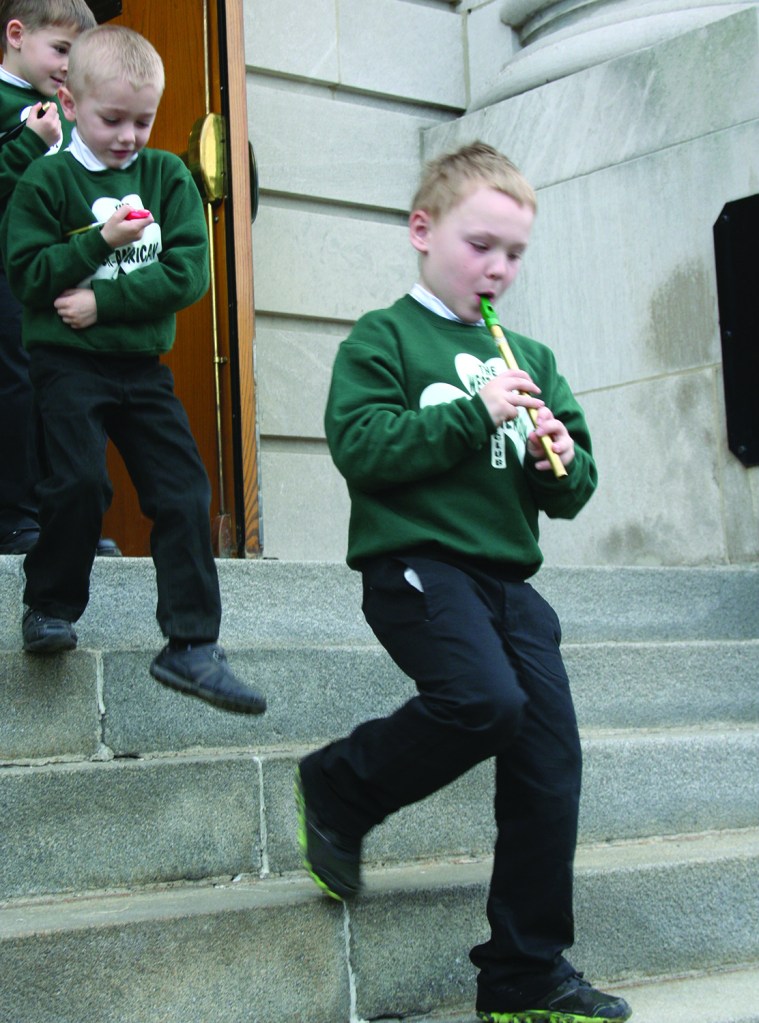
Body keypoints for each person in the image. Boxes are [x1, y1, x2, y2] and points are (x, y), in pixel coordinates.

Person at [295, 142, 631, 1022]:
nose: (497, 267)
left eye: (514, 253)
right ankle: (341, 782)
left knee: (549, 762)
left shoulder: (532, 356)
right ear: (422, 230)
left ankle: (524, 975)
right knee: (483, 700)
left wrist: (550, 454)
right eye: (480, 244)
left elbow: (574, 488)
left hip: (508, 580)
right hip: (414, 562)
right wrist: (469, 414)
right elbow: (362, 448)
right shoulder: (385, 337)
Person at [1, 24, 266, 716]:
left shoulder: (167, 175)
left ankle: (191, 645)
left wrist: (102, 298)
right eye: (112, 119)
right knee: (80, 483)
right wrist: (99, 242)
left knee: (183, 492)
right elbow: (28, 276)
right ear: (69, 99)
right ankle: (49, 606)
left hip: (141, 370)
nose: (128, 136)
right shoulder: (46, 178)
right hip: (65, 367)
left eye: (142, 120)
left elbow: (188, 272)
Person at [0, 0, 119, 556]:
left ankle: (71, 523)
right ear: (16, 34)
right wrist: (29, 143)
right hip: (9, 275)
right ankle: (17, 516)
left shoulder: (70, 110)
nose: (68, 68)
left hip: (63, 273)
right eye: (61, 51)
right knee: (18, 387)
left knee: (69, 391)